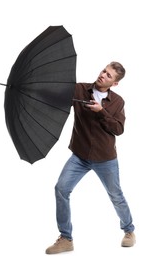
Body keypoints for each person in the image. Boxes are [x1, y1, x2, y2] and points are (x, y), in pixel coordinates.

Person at [45, 61, 135, 254]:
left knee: (116, 196)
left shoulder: (118, 101)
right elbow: (56, 96)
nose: (103, 75)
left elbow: (118, 129)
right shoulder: (79, 89)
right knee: (61, 189)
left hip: (105, 158)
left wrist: (101, 111)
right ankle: (66, 238)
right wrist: (34, 90)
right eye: (104, 71)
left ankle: (129, 231)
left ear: (115, 83)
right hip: (80, 155)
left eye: (109, 76)